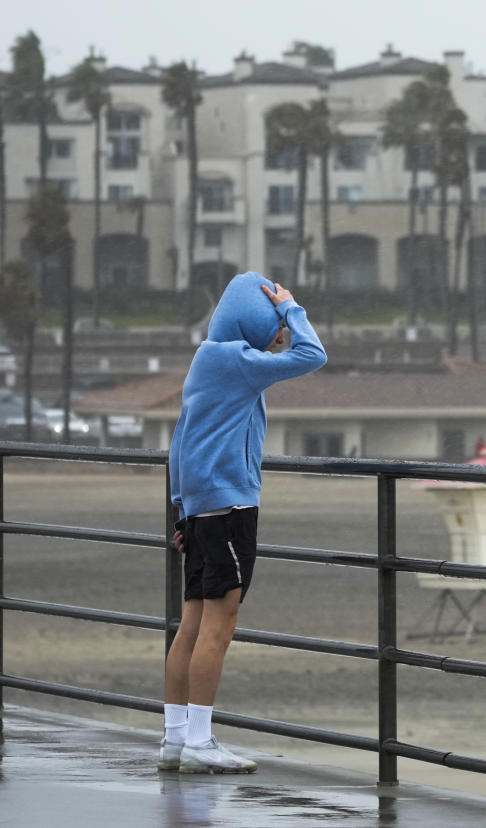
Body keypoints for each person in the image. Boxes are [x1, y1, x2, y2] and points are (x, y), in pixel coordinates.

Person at [161, 271, 326, 773]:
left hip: (200, 507)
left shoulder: (208, 358)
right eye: (274, 323)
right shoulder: (236, 360)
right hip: (230, 508)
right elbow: (312, 355)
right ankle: (201, 742)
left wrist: (181, 509)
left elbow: (180, 440)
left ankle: (175, 739)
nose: (280, 333)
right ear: (254, 322)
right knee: (219, 624)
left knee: (191, 624)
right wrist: (294, 308)